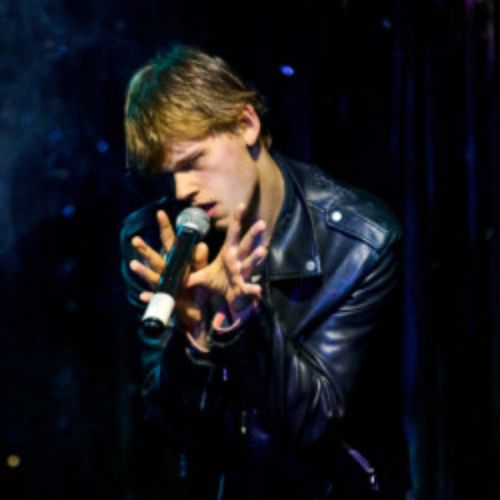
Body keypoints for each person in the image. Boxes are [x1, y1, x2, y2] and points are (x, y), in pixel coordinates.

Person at [121, 44, 410, 499]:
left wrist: (243, 320)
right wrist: (194, 339)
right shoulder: (157, 242)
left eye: (193, 162)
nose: (182, 190)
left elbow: (312, 419)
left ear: (246, 124)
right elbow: (166, 427)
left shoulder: (360, 242)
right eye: (168, 174)